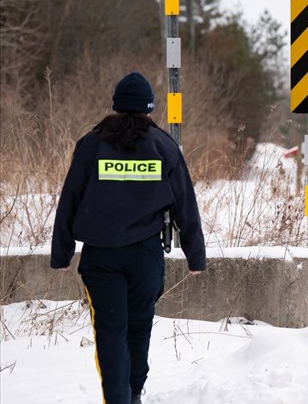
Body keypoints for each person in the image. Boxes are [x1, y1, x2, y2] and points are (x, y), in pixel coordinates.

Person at [51, 71, 207, 404]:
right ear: (149, 108)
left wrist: (62, 252)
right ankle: (134, 394)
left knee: (109, 332)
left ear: (116, 106)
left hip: (101, 256)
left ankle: (119, 398)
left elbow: (70, 198)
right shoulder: (163, 145)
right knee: (139, 328)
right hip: (145, 255)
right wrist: (195, 254)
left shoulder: (92, 144)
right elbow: (185, 202)